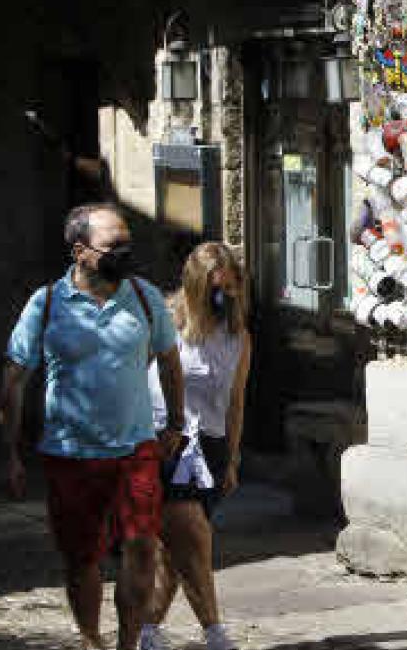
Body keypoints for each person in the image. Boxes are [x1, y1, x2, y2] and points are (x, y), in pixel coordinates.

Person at [0, 203, 186, 650]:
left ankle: (127, 642)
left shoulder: (144, 297)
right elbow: (14, 377)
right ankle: (89, 638)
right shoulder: (45, 305)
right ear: (80, 252)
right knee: (82, 559)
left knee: (142, 546)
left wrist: (175, 423)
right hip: (70, 455)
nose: (124, 252)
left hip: (135, 449)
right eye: (113, 245)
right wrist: (11, 453)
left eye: (128, 242)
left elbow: (170, 363)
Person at [141, 243, 251, 650]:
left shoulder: (239, 338)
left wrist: (233, 460)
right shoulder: (166, 324)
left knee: (177, 548)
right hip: (169, 441)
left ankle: (148, 630)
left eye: (230, 288)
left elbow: (236, 402)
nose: (223, 298)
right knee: (193, 534)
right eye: (214, 290)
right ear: (195, 288)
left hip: (212, 445)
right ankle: (214, 631)